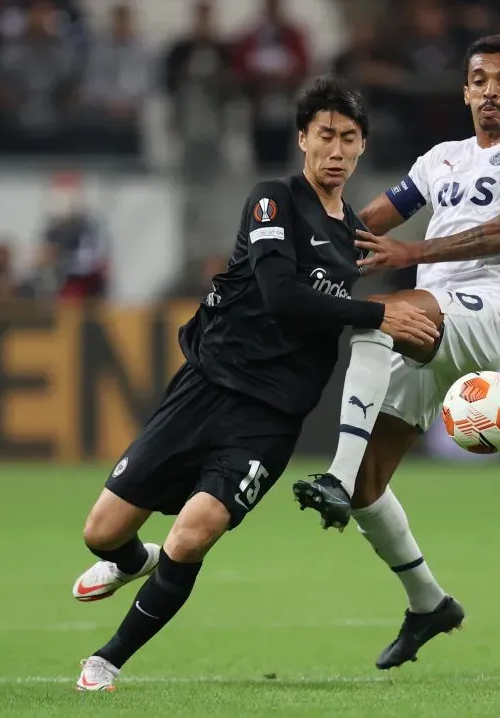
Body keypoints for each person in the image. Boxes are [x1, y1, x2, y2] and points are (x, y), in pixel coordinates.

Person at [71, 76, 439, 692]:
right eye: (325, 135)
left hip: (267, 420)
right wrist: (378, 313)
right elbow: (280, 294)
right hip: (205, 386)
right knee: (101, 534)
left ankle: (105, 661)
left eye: (349, 139)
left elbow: (336, 311)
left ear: (362, 148)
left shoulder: (351, 238)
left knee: (195, 532)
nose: (337, 150)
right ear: (303, 139)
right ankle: (138, 561)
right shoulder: (273, 200)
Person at [291, 35, 500, 669]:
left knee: (375, 318)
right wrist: (294, 249)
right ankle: (429, 604)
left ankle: (330, 474)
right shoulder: (439, 159)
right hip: (430, 317)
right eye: (480, 80)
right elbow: (366, 225)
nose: (492, 91)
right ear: (465, 90)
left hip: (487, 309)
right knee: (369, 488)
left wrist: (413, 255)